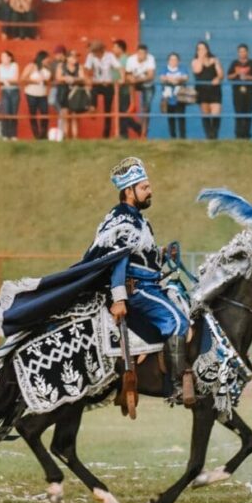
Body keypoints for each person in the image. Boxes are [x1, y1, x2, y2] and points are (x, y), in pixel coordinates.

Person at [91, 157, 194, 402]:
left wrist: (163, 254)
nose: (151, 191)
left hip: (150, 285)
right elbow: (118, 260)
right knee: (177, 323)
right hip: (137, 290)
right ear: (129, 191)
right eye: (145, 187)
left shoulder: (139, 220)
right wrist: (119, 299)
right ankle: (178, 385)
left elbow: (142, 257)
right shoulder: (122, 221)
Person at [84, 40, 119, 138]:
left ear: (100, 51)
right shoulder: (91, 56)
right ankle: (92, 107)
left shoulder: (110, 56)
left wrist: (121, 78)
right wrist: (87, 78)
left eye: (95, 52)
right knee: (92, 91)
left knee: (107, 110)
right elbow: (86, 68)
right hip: (97, 82)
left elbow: (118, 67)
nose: (94, 54)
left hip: (108, 84)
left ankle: (106, 134)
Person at [226, 43, 252, 140]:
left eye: (244, 51)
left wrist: (248, 77)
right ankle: (238, 135)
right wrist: (236, 73)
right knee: (238, 113)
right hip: (237, 94)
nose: (242, 53)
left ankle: (247, 135)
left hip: (250, 93)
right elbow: (228, 76)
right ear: (238, 53)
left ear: (248, 52)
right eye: (240, 51)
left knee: (248, 113)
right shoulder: (234, 63)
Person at [192, 41, 223, 140]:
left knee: (216, 112)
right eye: (199, 49)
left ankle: (215, 135)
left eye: (203, 48)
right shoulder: (195, 61)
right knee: (205, 112)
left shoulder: (214, 60)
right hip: (202, 90)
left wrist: (218, 78)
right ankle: (208, 136)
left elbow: (221, 75)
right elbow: (197, 70)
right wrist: (201, 58)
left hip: (215, 90)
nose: (202, 50)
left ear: (207, 49)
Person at [125, 44, 156, 138]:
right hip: (136, 82)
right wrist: (131, 79)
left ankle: (143, 132)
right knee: (130, 82)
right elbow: (127, 74)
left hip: (147, 84)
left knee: (146, 109)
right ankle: (132, 103)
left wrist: (136, 79)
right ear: (137, 53)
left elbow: (151, 76)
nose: (141, 55)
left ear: (146, 54)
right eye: (139, 53)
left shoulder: (151, 59)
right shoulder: (131, 59)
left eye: (143, 53)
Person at [112, 39, 140, 139]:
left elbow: (124, 72)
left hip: (124, 90)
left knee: (123, 114)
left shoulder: (124, 59)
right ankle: (130, 131)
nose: (113, 49)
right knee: (121, 113)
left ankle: (129, 132)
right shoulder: (120, 59)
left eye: (115, 47)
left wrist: (121, 80)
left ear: (120, 48)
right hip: (119, 90)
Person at [21, 50, 50, 140]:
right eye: (46, 59)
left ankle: (43, 134)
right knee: (33, 113)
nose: (48, 60)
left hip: (43, 93)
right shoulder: (31, 66)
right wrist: (34, 81)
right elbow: (22, 78)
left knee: (45, 113)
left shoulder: (47, 68)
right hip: (31, 93)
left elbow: (49, 81)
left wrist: (45, 81)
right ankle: (36, 134)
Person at [56, 49, 86, 139]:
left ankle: (75, 137)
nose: (75, 59)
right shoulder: (61, 66)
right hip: (64, 92)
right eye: (73, 57)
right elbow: (58, 77)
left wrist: (73, 79)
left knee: (74, 116)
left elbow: (82, 78)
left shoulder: (79, 67)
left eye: (76, 57)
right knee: (65, 115)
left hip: (75, 93)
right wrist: (66, 78)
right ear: (67, 58)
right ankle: (66, 136)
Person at [160, 52, 188, 139]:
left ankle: (182, 138)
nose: (173, 61)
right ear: (168, 61)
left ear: (178, 61)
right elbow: (162, 78)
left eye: (175, 59)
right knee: (170, 119)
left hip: (180, 98)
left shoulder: (182, 68)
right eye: (171, 59)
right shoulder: (164, 69)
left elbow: (185, 77)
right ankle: (173, 137)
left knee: (181, 118)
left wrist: (177, 79)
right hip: (168, 98)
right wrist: (171, 79)